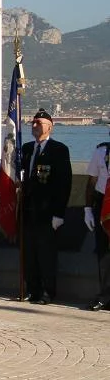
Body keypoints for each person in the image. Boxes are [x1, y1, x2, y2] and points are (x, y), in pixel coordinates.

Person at [19, 109, 72, 305]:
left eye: (39, 123)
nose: (35, 126)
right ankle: (32, 289)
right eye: (33, 123)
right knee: (29, 254)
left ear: (50, 127)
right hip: (27, 211)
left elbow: (64, 183)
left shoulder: (59, 150)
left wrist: (59, 213)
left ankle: (48, 292)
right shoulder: (25, 149)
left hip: (47, 212)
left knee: (46, 255)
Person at [84, 131, 110, 310]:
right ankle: (105, 296)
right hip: (103, 205)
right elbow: (91, 182)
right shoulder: (101, 152)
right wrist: (87, 209)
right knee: (103, 252)